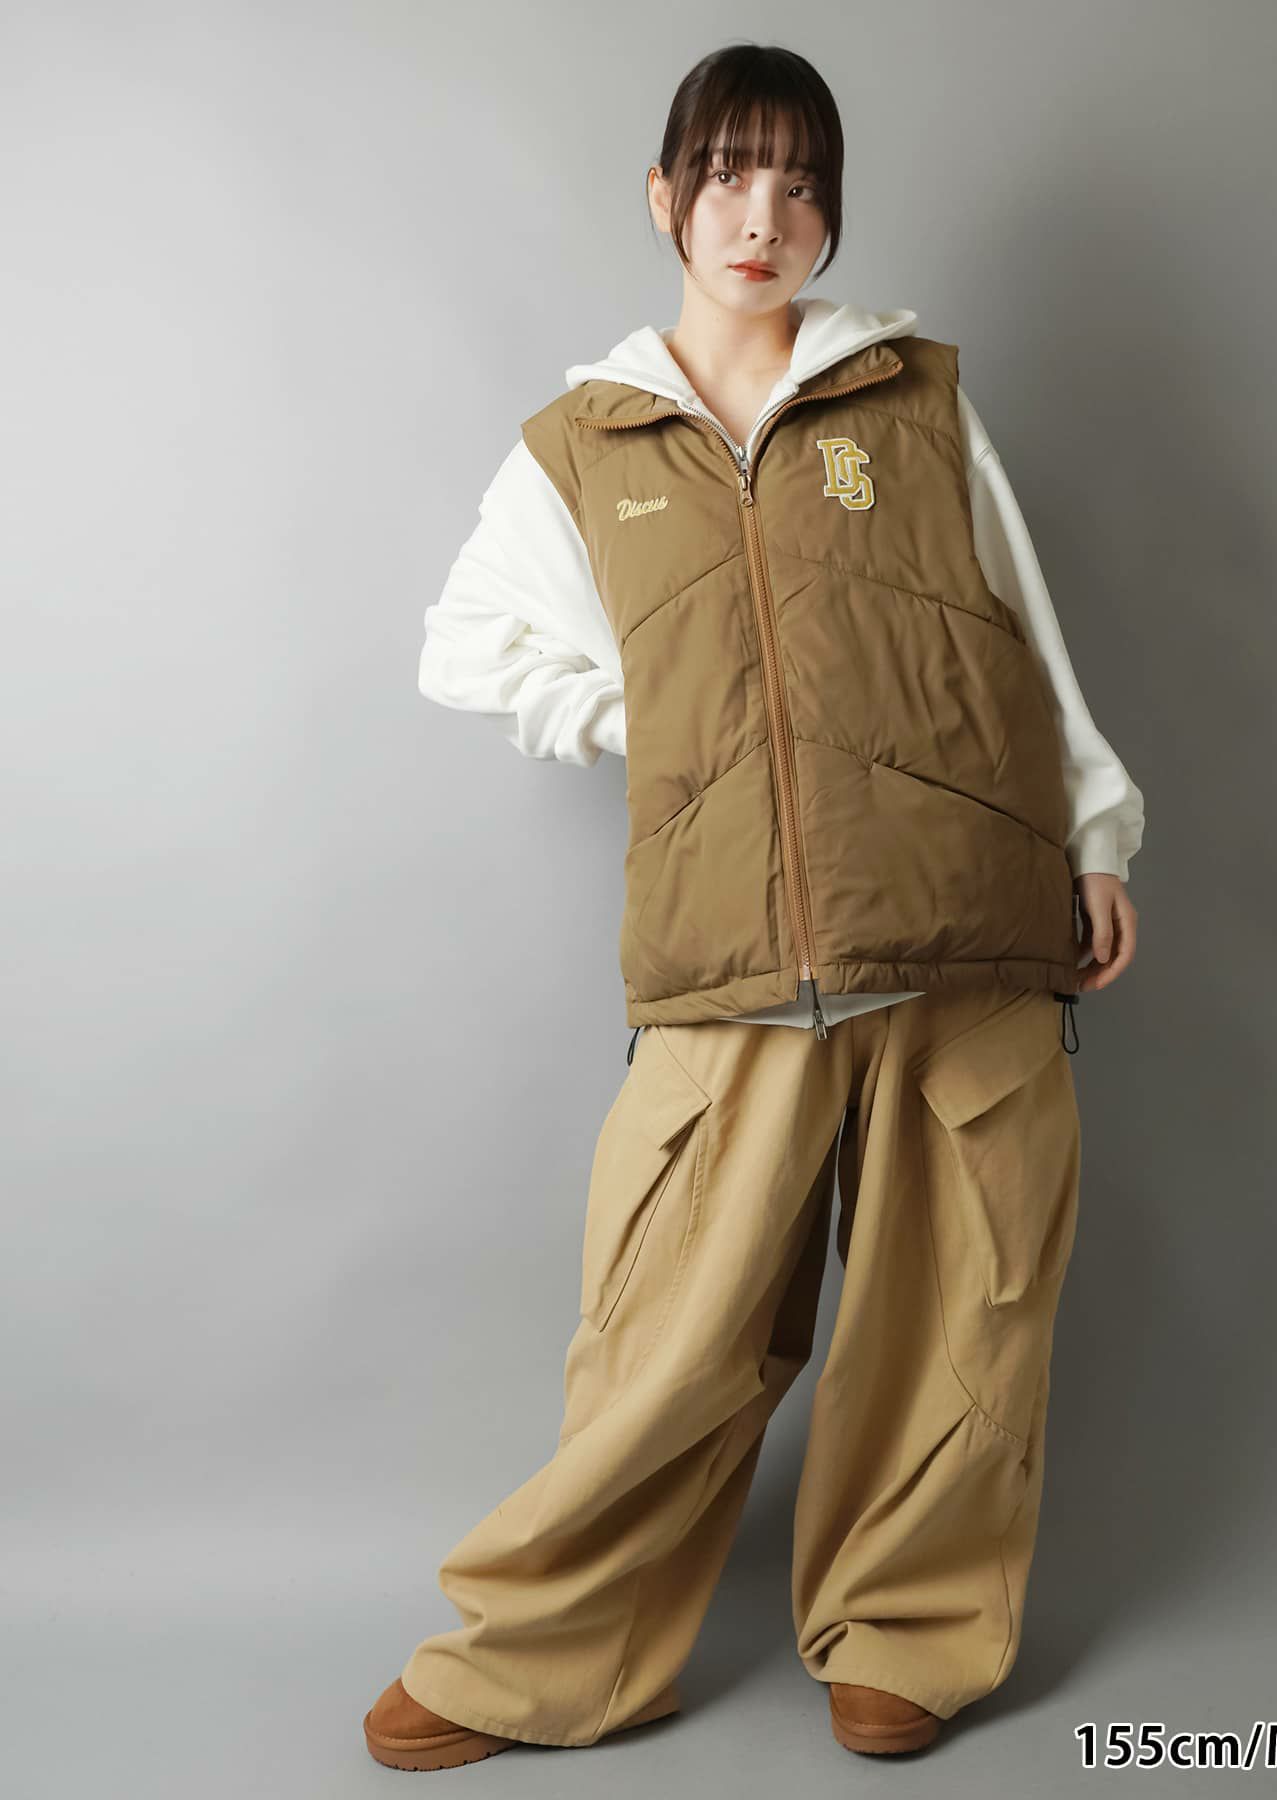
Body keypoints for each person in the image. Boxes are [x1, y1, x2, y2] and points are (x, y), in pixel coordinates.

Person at [364, 40, 1143, 1772]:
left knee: (961, 1309)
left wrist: (1098, 831)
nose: (762, 216)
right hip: (728, 957)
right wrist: (645, 712)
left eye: (799, 184)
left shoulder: (912, 401)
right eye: (727, 176)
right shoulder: (586, 444)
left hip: (960, 924)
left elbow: (1022, 630)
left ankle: (910, 1632)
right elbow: (465, 648)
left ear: (828, 214)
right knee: (669, 1337)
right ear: (666, 196)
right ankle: (552, 1651)